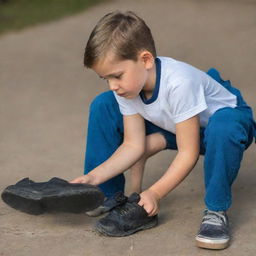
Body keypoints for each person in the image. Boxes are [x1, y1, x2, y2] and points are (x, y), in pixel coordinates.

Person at [71, 11, 256, 249]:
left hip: (223, 129)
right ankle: (106, 193)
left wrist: (154, 193)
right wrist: (93, 176)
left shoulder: (180, 83)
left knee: (223, 127)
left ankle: (216, 210)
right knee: (103, 104)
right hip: (177, 126)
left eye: (116, 76)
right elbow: (133, 145)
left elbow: (188, 152)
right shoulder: (128, 87)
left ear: (146, 60)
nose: (113, 85)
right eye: (105, 78)